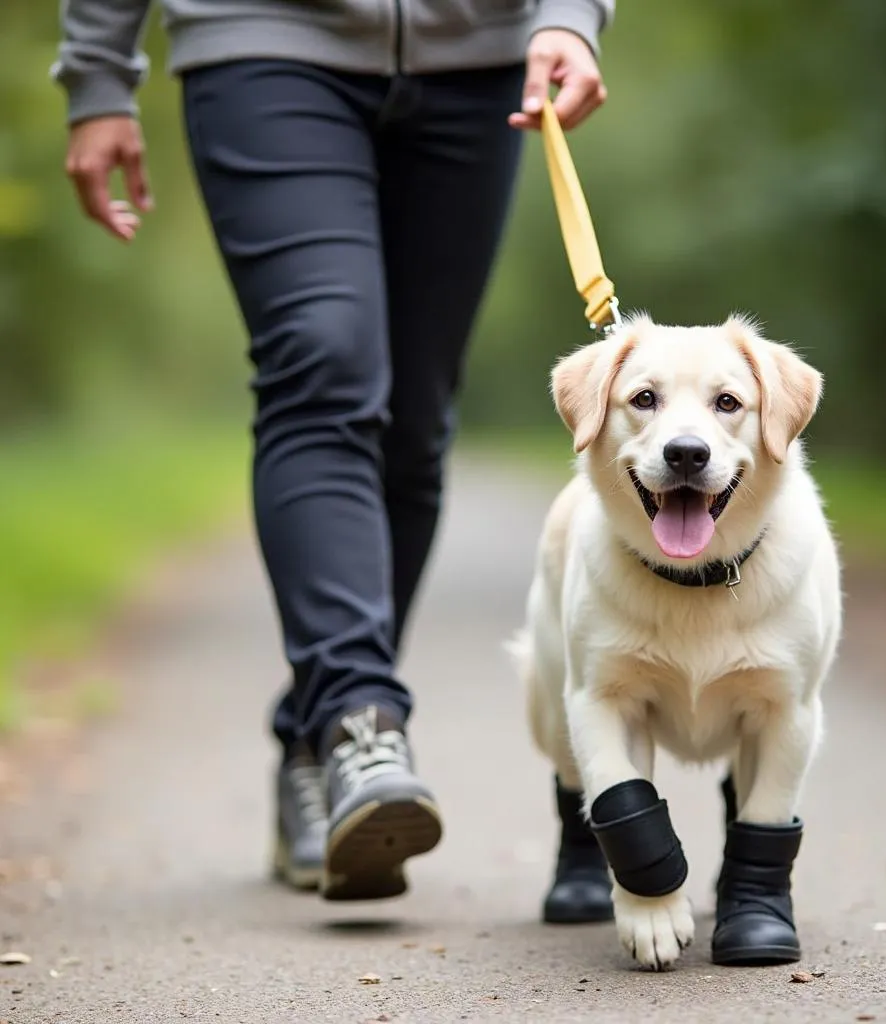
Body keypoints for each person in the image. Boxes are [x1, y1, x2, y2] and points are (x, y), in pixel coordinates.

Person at [52, 0, 617, 922]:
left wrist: (568, 14)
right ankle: (362, 721)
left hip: (480, 59)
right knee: (323, 364)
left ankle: (314, 737)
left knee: (413, 425)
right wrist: (98, 73)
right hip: (262, 40)